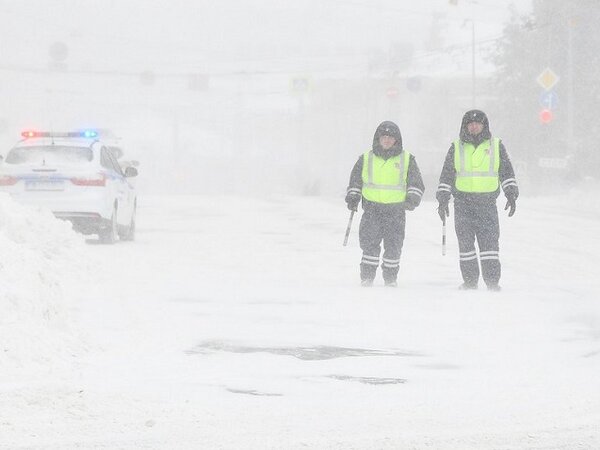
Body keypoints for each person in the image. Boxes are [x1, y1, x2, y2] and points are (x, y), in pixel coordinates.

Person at [436, 110, 518, 291]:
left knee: (489, 245)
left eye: (478, 123)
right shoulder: (456, 147)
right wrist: (443, 198)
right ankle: (470, 281)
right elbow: (447, 175)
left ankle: (492, 282)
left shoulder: (496, 146)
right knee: (466, 246)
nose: (474, 126)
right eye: (470, 124)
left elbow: (506, 171)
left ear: (484, 125)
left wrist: (511, 193)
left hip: (487, 204)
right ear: (465, 126)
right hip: (463, 204)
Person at [345, 121, 425, 287]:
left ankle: (390, 278)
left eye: (391, 137)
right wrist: (353, 197)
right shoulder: (366, 158)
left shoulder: (407, 159)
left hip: (395, 211)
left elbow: (416, 183)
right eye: (384, 137)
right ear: (378, 139)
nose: (387, 140)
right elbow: (355, 181)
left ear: (397, 140)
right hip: (372, 209)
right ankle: (367, 276)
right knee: (369, 244)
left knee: (394, 246)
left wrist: (412, 199)